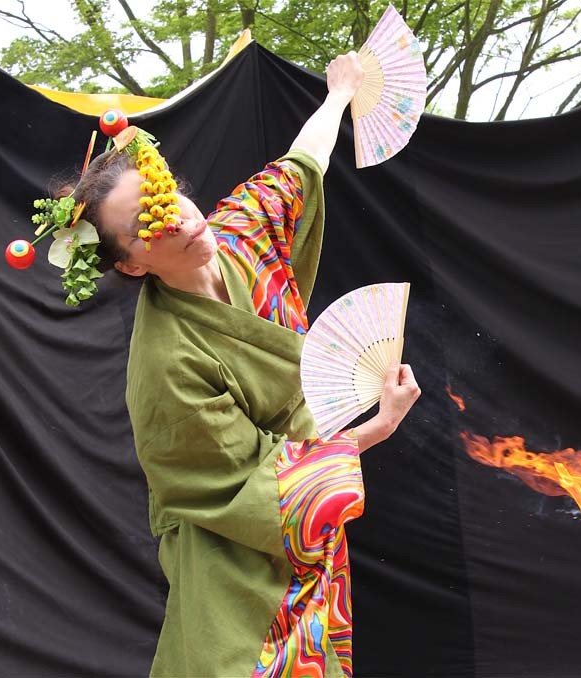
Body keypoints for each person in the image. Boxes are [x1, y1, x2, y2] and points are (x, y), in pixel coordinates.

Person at [63, 52, 421, 677]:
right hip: (234, 546)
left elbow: (299, 168)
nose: (174, 217)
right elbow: (242, 489)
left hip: (312, 520)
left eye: (165, 194)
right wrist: (376, 429)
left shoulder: (241, 232)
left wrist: (339, 95)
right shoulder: (166, 365)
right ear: (130, 264)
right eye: (147, 224)